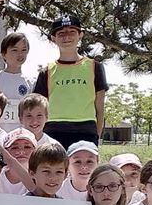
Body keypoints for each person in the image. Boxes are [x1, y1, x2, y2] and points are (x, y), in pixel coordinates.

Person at [33, 14, 108, 148]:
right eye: (61, 33)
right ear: (53, 38)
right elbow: (38, 108)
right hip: (53, 130)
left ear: (80, 35)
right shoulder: (46, 71)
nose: (66, 37)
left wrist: (97, 137)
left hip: (86, 130)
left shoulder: (95, 66)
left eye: (72, 32)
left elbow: (100, 109)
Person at [0, 32, 33, 132]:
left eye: (24, 50)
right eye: (14, 50)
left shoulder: (31, 82)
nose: (20, 54)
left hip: (21, 138)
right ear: (3, 54)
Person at [0, 128, 37, 195]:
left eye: (27, 147)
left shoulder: (39, 178)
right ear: (6, 151)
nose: (21, 152)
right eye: (14, 148)